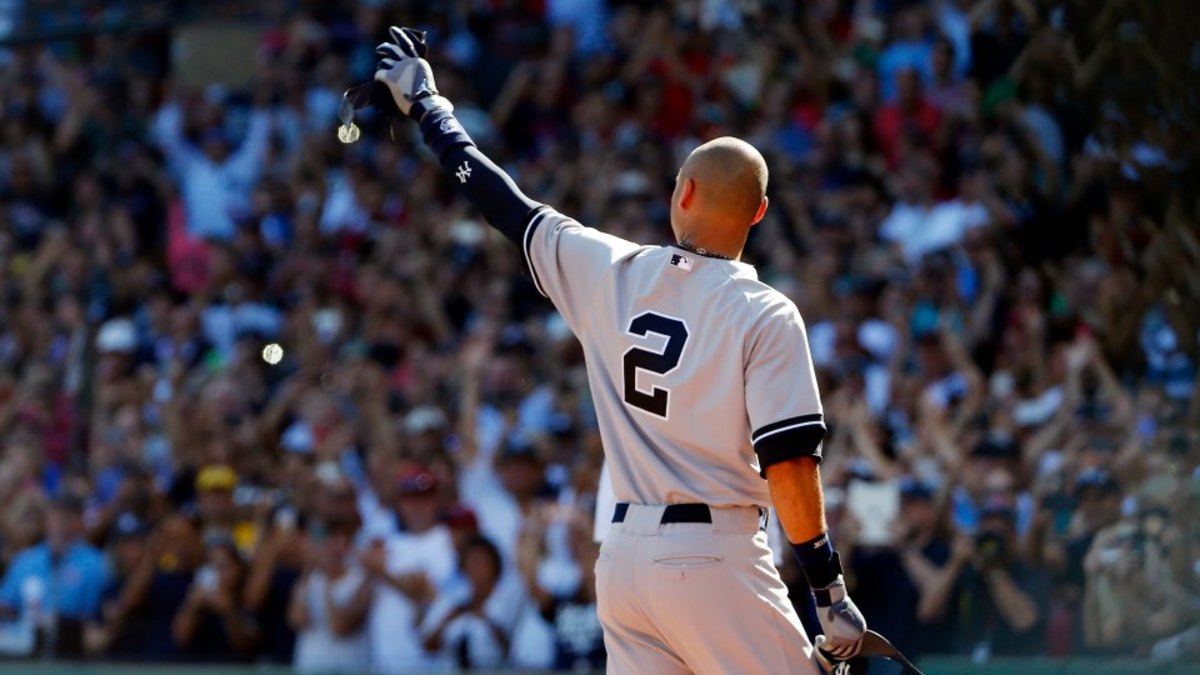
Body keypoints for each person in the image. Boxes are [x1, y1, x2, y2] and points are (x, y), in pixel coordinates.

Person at [371, 26, 867, 673]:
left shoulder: (609, 268)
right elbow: (791, 464)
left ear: (681, 193)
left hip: (626, 559)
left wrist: (430, 110)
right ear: (759, 213)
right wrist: (827, 588)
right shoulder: (765, 310)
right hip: (714, 554)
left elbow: (502, 202)